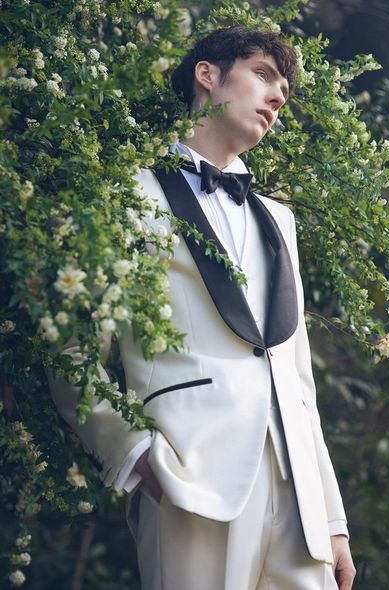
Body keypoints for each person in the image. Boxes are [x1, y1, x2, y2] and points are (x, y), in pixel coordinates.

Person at [48, 25, 356, 590]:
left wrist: (332, 520)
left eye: (284, 91)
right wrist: (135, 455)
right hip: (190, 481)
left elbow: (298, 381)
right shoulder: (125, 195)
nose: (277, 97)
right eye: (263, 75)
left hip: (299, 505)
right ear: (207, 75)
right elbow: (69, 351)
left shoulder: (280, 221)